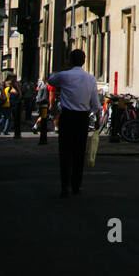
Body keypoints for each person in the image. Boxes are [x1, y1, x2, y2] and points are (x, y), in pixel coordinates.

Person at [48, 50, 101, 197]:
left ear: (71, 60)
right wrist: (95, 116)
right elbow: (96, 104)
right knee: (79, 153)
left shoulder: (64, 76)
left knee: (65, 152)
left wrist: (64, 68)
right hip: (82, 118)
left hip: (67, 117)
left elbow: (51, 80)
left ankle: (65, 186)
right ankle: (76, 185)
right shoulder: (90, 79)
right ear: (84, 61)